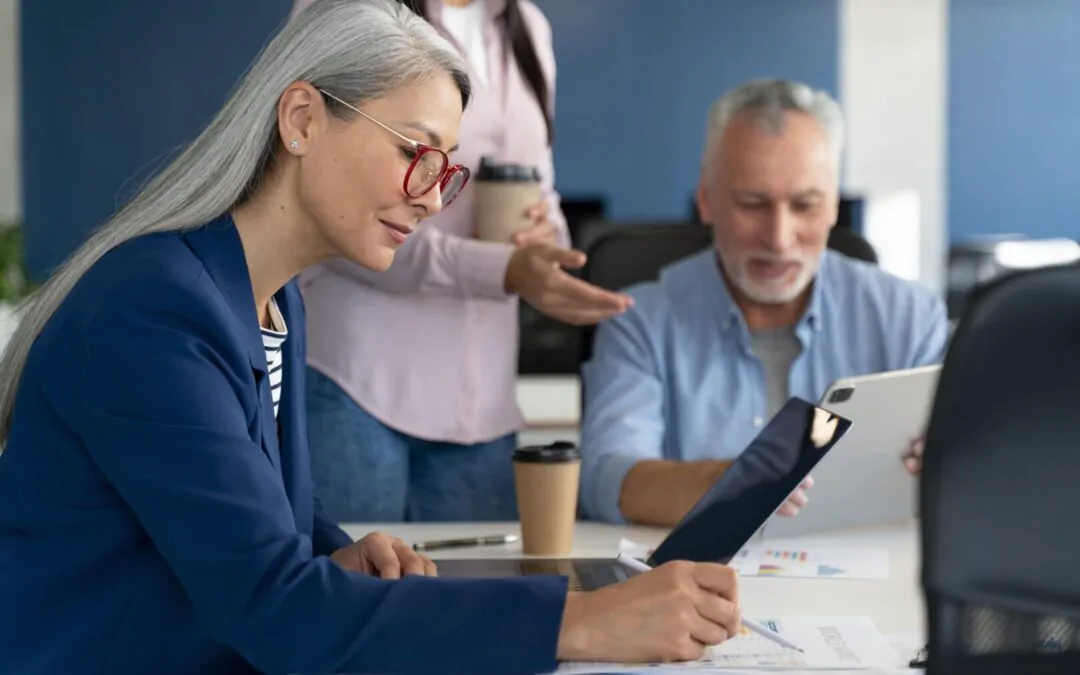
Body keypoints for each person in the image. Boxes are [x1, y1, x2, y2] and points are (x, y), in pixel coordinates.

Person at [0, 2, 738, 673]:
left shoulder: (272, 297)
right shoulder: (156, 314)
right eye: (414, 151)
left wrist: (332, 552)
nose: (431, 198)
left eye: (446, 171)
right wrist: (581, 621)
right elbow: (277, 607)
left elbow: (260, 526)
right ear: (301, 120)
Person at [289, 0, 629, 523]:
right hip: (356, 388)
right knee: (348, 594)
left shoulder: (529, 28)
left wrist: (546, 237)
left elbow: (539, 187)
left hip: (482, 411)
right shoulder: (351, 10)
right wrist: (502, 270)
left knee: (476, 600)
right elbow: (335, 208)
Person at [579, 79, 950, 527]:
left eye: (806, 205)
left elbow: (969, 468)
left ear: (833, 205)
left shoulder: (910, 320)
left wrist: (953, 465)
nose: (779, 238)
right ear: (706, 200)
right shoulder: (638, 322)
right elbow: (605, 482)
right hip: (695, 587)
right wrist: (727, 482)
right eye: (753, 204)